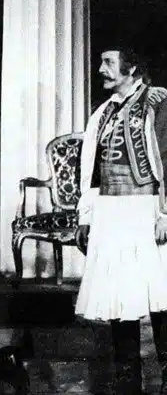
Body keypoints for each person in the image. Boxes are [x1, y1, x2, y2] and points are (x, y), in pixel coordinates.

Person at [75, 48, 167, 394]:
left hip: (146, 209)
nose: (101, 69)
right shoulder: (102, 113)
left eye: (109, 63)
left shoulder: (157, 102)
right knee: (118, 299)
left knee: (159, 297)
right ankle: (129, 380)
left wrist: (165, 213)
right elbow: (91, 170)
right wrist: (86, 215)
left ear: (133, 67)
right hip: (111, 213)